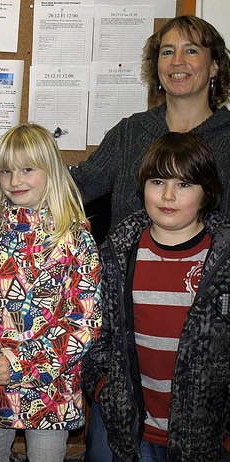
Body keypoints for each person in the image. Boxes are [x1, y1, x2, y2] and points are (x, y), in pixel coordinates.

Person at [0, 16, 230, 237]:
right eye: (167, 52)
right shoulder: (131, 132)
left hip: (205, 284)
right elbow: (76, 186)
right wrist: (14, 162)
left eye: (191, 51)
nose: (177, 61)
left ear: (215, 66)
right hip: (122, 280)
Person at [0, 123, 102, 462]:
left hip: (48, 391)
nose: (15, 181)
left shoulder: (74, 241)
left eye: (27, 170)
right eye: (6, 172)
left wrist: (21, 364)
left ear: (51, 171)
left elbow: (81, 324)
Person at [82, 132, 230, 462]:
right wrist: (105, 388)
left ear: (207, 192)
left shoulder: (223, 259)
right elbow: (95, 332)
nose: (167, 195)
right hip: (131, 427)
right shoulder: (117, 254)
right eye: (158, 180)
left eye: (184, 184)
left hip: (206, 436)